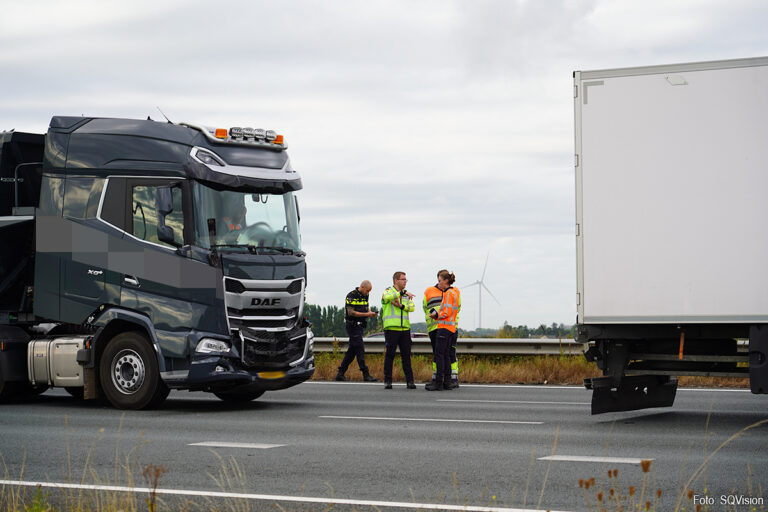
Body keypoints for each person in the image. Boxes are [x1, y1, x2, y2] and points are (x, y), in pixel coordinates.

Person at [423, 269, 461, 387]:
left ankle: (438, 382)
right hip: (450, 327)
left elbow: (446, 312)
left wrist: (437, 316)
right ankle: (447, 382)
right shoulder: (454, 292)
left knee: (439, 355)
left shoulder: (448, 293)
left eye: (440, 280)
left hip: (444, 327)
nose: (438, 283)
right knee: (446, 355)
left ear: (446, 280)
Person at [336, 280, 378, 382]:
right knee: (360, 349)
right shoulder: (351, 295)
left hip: (360, 326)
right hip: (352, 326)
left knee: (352, 352)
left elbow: (366, 307)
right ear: (362, 287)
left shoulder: (365, 295)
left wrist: (371, 313)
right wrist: (368, 314)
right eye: (367, 291)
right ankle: (365, 374)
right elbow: (351, 313)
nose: (368, 293)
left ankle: (340, 373)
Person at [381, 271, 416, 389]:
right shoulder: (388, 291)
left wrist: (401, 306)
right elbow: (387, 298)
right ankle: (387, 381)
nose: (405, 281)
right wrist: (401, 293)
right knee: (390, 355)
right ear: (396, 280)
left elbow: (412, 307)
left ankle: (410, 381)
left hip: (405, 328)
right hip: (391, 328)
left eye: (406, 279)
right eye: (403, 279)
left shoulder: (406, 294)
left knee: (406, 355)